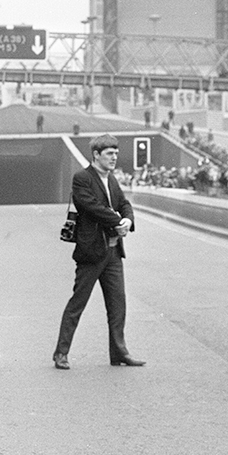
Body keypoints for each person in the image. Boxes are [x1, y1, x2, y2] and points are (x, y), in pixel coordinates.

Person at [53, 134, 144, 370]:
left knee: (118, 306)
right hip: (92, 253)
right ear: (96, 155)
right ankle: (61, 353)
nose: (114, 157)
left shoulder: (111, 179)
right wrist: (117, 221)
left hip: (113, 253)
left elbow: (124, 203)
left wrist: (127, 220)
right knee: (78, 304)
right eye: (109, 153)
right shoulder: (82, 178)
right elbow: (91, 207)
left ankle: (119, 353)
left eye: (115, 152)